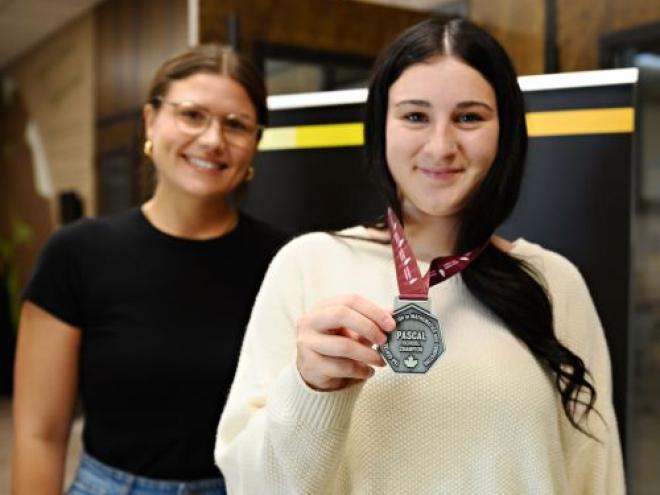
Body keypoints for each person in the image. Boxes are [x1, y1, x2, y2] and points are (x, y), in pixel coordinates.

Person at [214, 18, 625, 494]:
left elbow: (597, 477)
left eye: (469, 117)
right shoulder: (307, 265)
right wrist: (308, 388)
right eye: (414, 116)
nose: (441, 146)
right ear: (380, 127)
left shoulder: (555, 282)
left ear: (505, 131)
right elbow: (255, 487)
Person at [12, 44, 287, 495]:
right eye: (192, 115)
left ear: (254, 144)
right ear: (150, 121)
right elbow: (39, 435)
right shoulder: (77, 253)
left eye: (235, 125)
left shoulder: (285, 260)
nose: (213, 139)